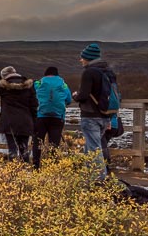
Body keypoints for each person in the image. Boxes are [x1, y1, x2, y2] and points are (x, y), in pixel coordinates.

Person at [74, 43, 113, 179]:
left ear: (88, 58)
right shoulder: (108, 71)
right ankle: (87, 177)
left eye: (82, 57)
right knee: (90, 148)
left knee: (93, 149)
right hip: (105, 115)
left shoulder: (89, 72)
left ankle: (99, 180)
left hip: (90, 115)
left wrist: (75, 96)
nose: (81, 60)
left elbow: (83, 95)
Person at [0, 66, 37, 163]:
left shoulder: (4, 86)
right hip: (25, 121)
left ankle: (13, 170)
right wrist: (34, 120)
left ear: (4, 76)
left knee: (12, 148)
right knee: (24, 147)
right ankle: (26, 169)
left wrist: (0, 79)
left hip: (9, 121)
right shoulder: (27, 85)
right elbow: (34, 104)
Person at [32, 66, 71, 169]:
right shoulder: (63, 84)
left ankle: (35, 167)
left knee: (37, 142)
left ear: (46, 73)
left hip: (41, 116)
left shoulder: (39, 83)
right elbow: (69, 99)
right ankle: (51, 167)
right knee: (54, 144)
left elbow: (33, 88)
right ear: (57, 74)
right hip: (57, 117)